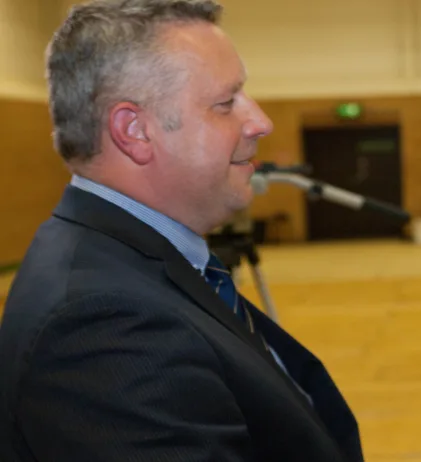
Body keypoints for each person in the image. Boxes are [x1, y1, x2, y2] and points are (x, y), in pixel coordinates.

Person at [0, 1, 362, 461]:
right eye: (226, 103)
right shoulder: (104, 326)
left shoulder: (133, 259)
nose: (261, 122)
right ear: (134, 131)